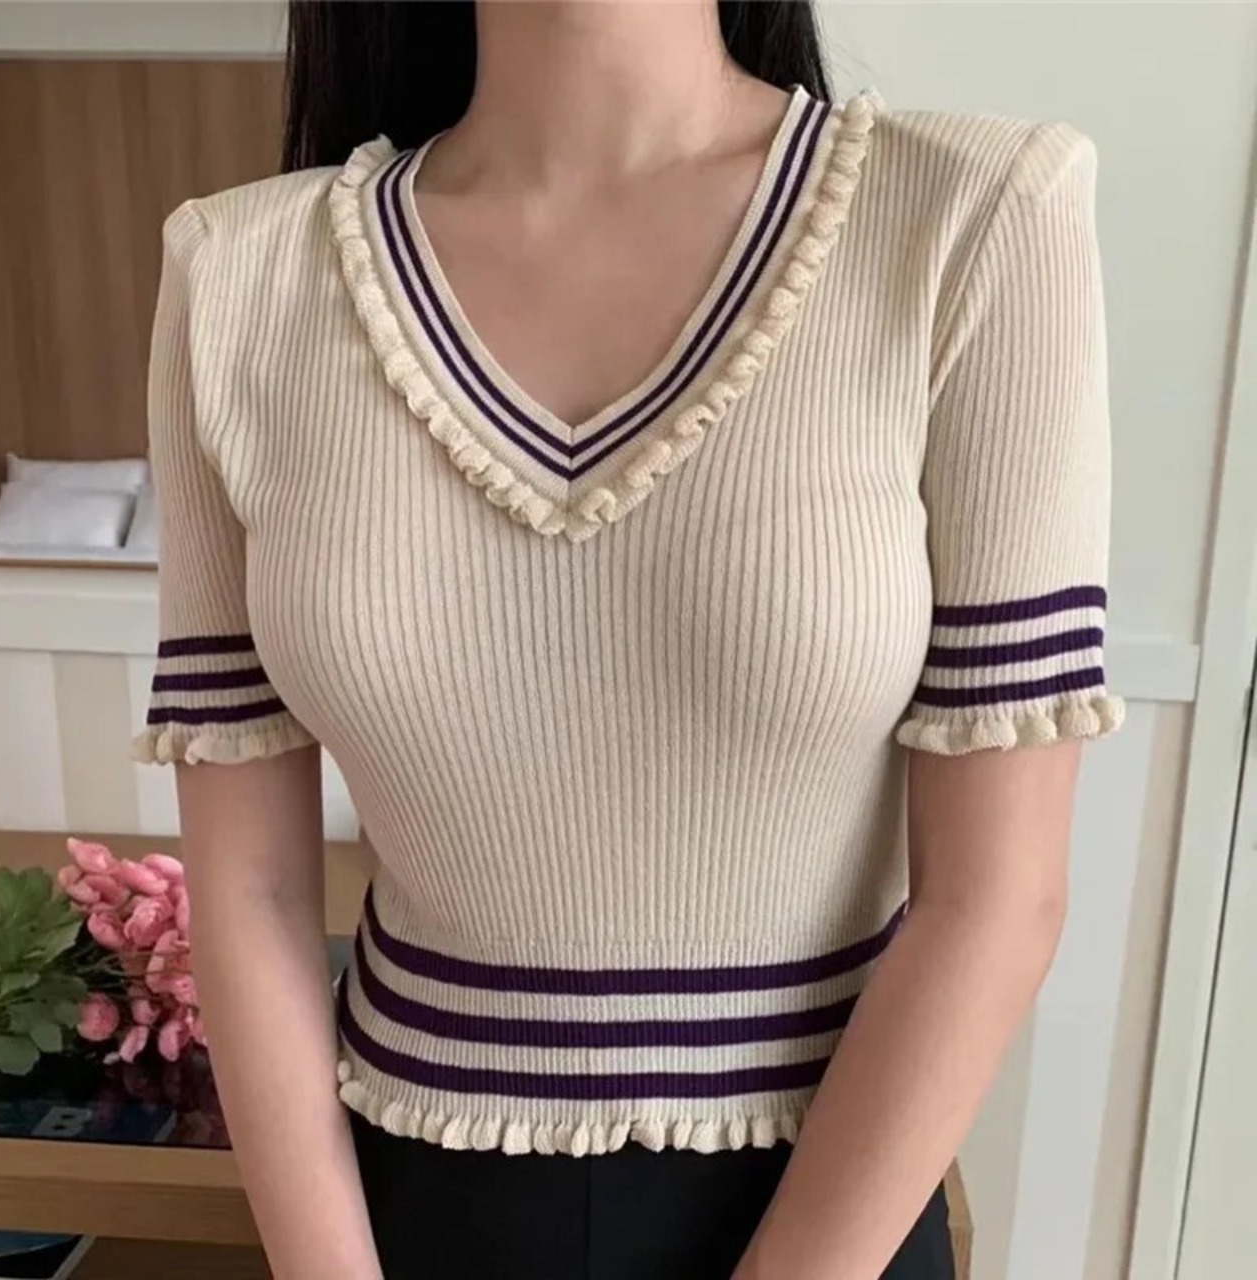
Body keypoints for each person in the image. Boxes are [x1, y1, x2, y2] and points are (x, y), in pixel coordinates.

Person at [132, 1, 1124, 1276]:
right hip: (393, 1208)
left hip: (825, 1211)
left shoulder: (972, 217)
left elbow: (994, 894)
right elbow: (252, 892)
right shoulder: (237, 275)